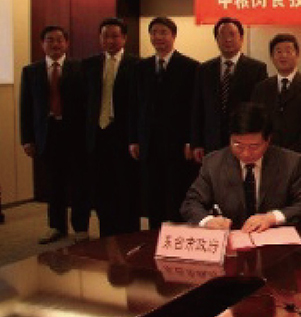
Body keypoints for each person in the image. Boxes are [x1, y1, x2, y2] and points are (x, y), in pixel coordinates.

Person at [181, 103, 301, 231]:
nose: (245, 153)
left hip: (273, 239)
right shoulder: (214, 163)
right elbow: (191, 203)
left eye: (254, 146)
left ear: (268, 140)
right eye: (238, 145)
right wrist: (208, 220)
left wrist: (272, 218)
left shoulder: (288, 162)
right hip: (231, 237)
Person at [20, 25, 88, 244]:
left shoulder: (80, 68)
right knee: (54, 183)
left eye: (59, 40)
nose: (55, 44)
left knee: (79, 183)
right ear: (42, 44)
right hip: (47, 134)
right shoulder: (31, 71)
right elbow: (26, 108)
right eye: (50, 40)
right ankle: (56, 226)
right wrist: (27, 139)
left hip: (75, 134)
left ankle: (81, 227)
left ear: (67, 43)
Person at [129, 17, 199, 228]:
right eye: (154, 33)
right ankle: (154, 233)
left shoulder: (190, 67)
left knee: (178, 191)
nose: (158, 37)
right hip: (149, 142)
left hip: (178, 143)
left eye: (163, 32)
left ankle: (179, 235)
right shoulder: (141, 67)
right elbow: (135, 106)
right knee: (153, 192)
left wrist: (192, 140)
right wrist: (134, 139)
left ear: (173, 36)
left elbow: (194, 108)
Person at [83, 17, 141, 237]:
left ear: (124, 38)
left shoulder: (137, 65)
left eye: (115, 36)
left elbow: (140, 105)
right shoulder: (89, 65)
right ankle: (106, 234)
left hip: (124, 136)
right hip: (97, 135)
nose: (110, 40)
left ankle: (129, 234)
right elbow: (83, 102)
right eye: (105, 36)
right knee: (101, 188)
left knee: (126, 187)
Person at [191, 17, 267, 162]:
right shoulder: (204, 69)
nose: (227, 39)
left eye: (232, 34)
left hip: (243, 141)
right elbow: (197, 108)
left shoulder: (257, 69)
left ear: (241, 38)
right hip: (211, 141)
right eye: (222, 35)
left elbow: (260, 109)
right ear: (216, 39)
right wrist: (196, 143)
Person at [251, 33, 301, 155]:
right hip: (268, 154)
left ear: (297, 55)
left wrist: (291, 153)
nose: (283, 55)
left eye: (288, 51)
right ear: (272, 57)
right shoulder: (261, 88)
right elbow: (256, 121)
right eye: (278, 52)